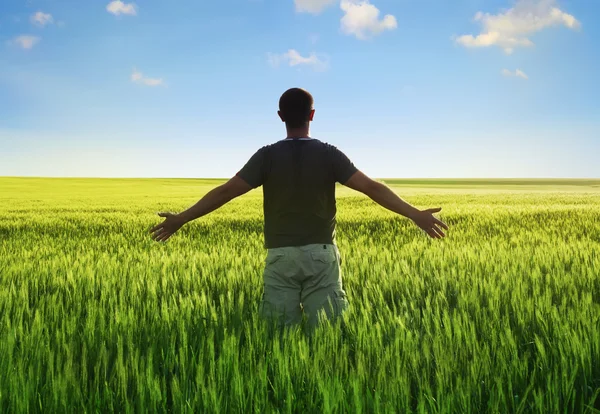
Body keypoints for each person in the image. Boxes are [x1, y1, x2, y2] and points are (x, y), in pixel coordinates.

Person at [149, 88, 448, 332]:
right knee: (329, 337)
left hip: (281, 256)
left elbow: (226, 191)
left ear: (280, 117)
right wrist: (415, 214)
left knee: (280, 339)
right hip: (321, 255)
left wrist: (182, 219)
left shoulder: (266, 157)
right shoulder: (330, 154)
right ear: (312, 116)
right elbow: (372, 187)